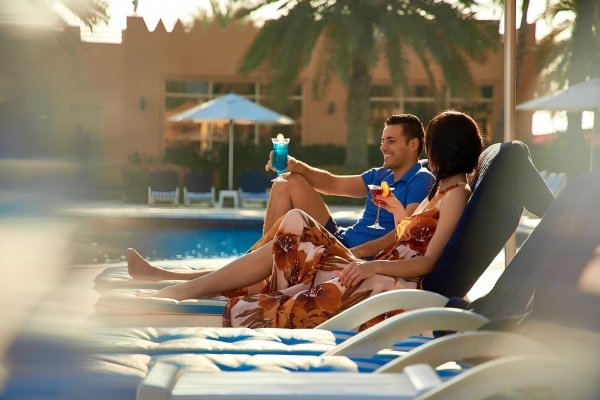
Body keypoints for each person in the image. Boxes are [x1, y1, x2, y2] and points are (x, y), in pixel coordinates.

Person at [128, 110, 484, 329]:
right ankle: (187, 285)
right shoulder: (439, 190)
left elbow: (427, 261)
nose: (427, 151)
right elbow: (404, 234)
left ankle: (184, 287)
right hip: (366, 264)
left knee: (295, 224)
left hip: (384, 282)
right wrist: (389, 220)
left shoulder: (453, 194)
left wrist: (370, 264)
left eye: (431, 143)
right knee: (291, 210)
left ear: (439, 148)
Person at [263, 114, 435, 259]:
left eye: (391, 141)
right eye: (383, 141)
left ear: (412, 144)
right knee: (287, 182)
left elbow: (405, 233)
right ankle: (261, 259)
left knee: (287, 185)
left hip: (357, 254)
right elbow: (333, 184)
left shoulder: (421, 180)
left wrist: (358, 252)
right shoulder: (380, 174)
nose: (383, 147)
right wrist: (296, 166)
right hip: (340, 240)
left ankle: (258, 266)